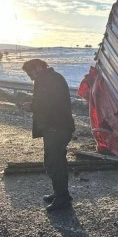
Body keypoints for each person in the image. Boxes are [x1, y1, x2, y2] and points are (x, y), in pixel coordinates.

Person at [22, 59, 75, 211]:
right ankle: (61, 193)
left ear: (38, 67)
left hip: (56, 128)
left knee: (53, 163)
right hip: (59, 127)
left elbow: (48, 104)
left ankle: (62, 197)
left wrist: (31, 106)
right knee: (58, 162)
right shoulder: (54, 78)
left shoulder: (46, 80)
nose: (30, 76)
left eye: (29, 72)